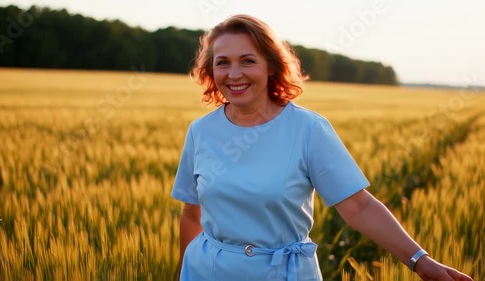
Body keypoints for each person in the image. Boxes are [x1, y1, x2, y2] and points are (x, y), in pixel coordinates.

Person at [171, 14, 473, 281]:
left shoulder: (308, 129)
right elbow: (191, 214)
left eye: (248, 61)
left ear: (271, 67)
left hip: (283, 273)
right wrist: (184, 271)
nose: (234, 74)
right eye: (222, 62)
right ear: (211, 70)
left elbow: (359, 206)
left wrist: (419, 260)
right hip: (207, 271)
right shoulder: (201, 132)